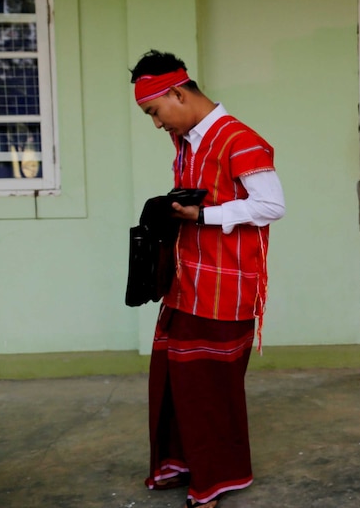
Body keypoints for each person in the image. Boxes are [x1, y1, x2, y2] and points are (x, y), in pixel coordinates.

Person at [130, 50, 286, 508]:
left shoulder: (239, 138)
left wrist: (203, 214)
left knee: (208, 392)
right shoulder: (186, 142)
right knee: (172, 382)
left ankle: (214, 482)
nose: (157, 124)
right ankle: (181, 465)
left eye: (154, 112)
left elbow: (272, 205)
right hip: (184, 283)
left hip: (226, 288)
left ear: (177, 93)